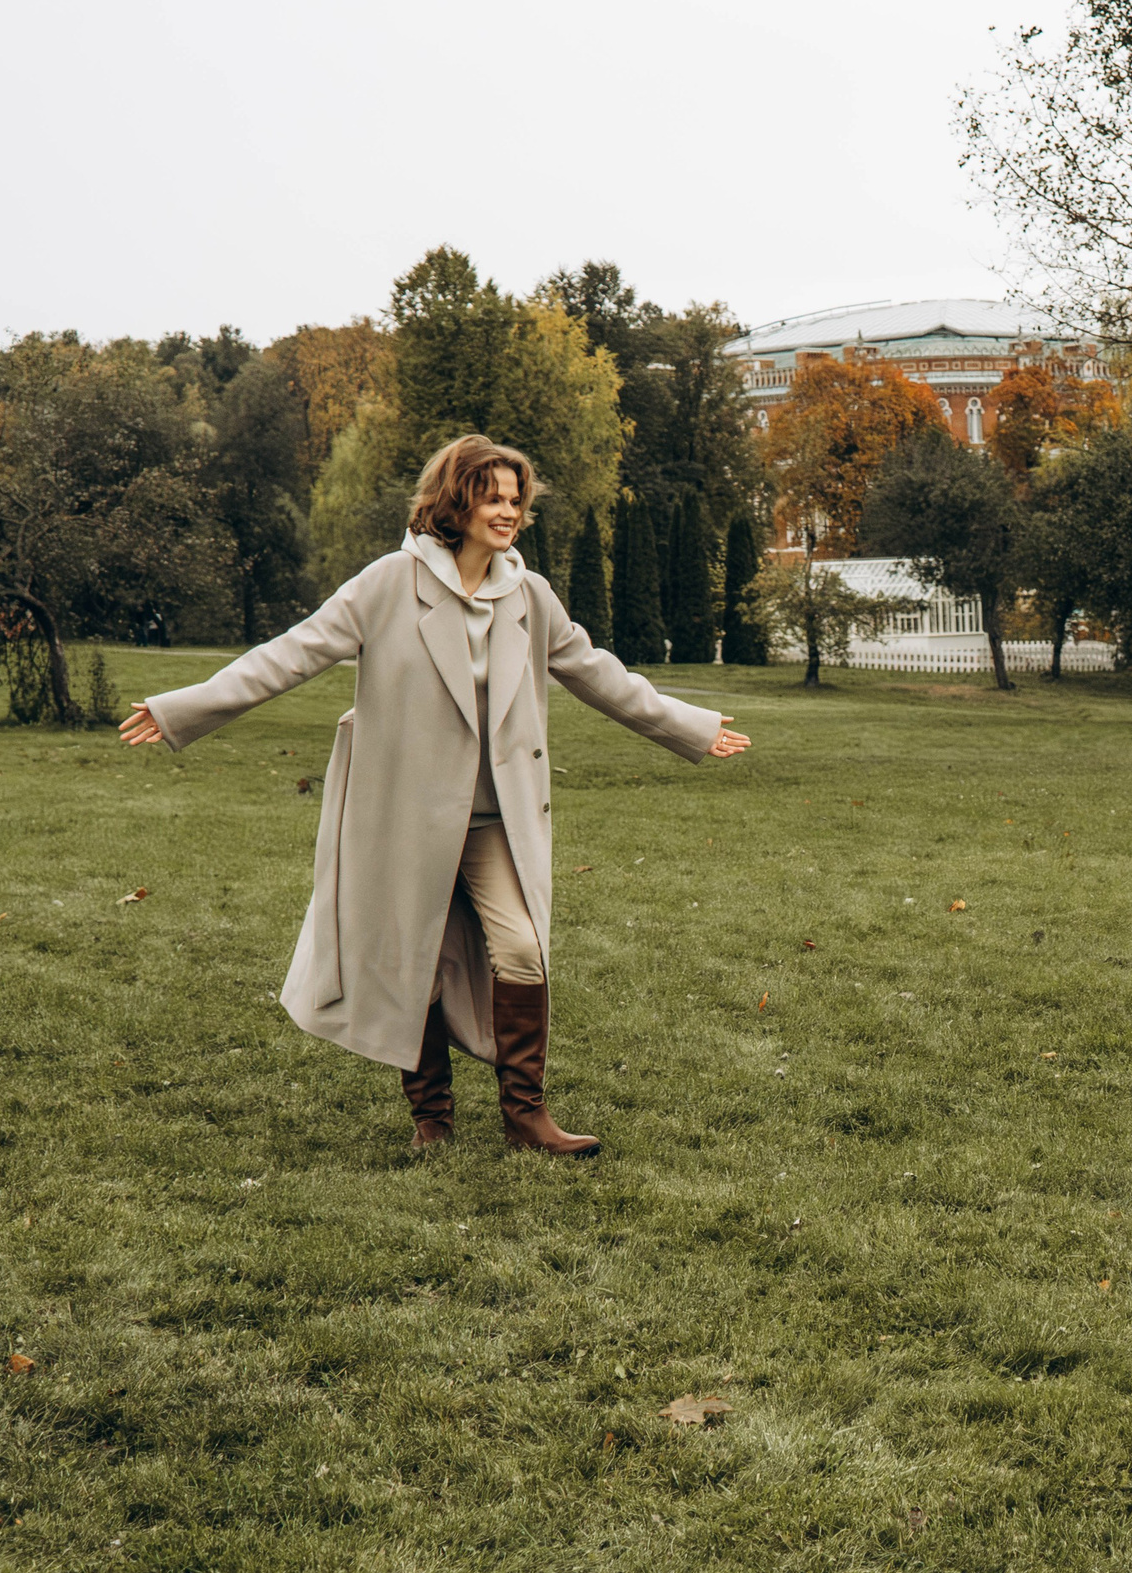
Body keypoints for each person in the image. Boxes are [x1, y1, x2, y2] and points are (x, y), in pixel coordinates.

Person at [120, 435, 750, 1156]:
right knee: (409, 963)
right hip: (407, 819)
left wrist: (689, 727)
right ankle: (432, 1118)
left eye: (517, 499)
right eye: (494, 496)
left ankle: (527, 1118)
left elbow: (598, 673)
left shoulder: (529, 595)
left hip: (496, 822)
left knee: (522, 948)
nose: (509, 511)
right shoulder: (390, 583)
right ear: (458, 502)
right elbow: (289, 655)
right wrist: (182, 709)